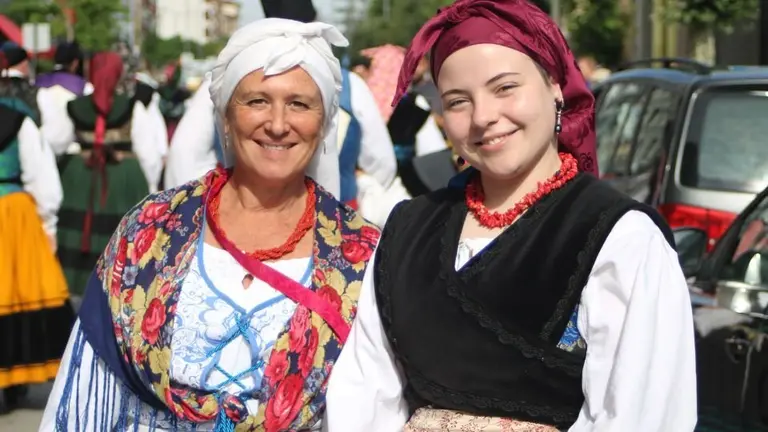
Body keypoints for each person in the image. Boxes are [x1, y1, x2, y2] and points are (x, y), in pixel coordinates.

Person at [324, 0, 698, 431]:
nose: (484, 117)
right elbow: (363, 394)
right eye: (458, 101)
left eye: (505, 88)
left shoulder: (621, 238)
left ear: (555, 85)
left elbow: (643, 417)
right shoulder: (408, 230)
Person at [40, 18, 381, 431]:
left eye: (299, 104)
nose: (277, 123)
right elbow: (87, 391)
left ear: (324, 122)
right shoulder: (150, 230)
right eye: (256, 101)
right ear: (225, 116)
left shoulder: (362, 254)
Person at [49, 52, 164, 296]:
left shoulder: (74, 107)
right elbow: (149, 156)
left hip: (81, 180)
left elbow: (54, 142)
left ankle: (79, 286)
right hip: (124, 180)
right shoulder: (133, 107)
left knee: (81, 231)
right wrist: (150, 189)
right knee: (124, 234)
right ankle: (122, 286)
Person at [0, 42, 74, 414]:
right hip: (11, 214)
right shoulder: (18, 119)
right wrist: (48, 223)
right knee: (15, 295)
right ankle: (13, 383)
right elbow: (42, 178)